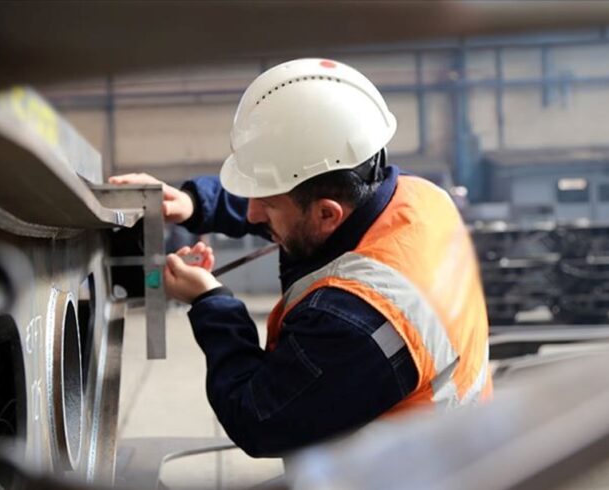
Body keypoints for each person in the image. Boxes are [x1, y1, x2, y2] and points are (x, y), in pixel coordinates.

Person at [110, 58, 491, 457]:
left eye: (267, 205)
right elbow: (297, 209)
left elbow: (257, 418)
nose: (252, 213)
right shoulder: (420, 198)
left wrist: (212, 303)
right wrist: (193, 203)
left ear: (328, 214)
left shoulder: (359, 322)